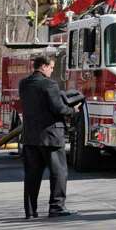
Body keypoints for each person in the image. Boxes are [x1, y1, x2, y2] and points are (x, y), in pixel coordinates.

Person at [19, 53, 77, 218]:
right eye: (51, 67)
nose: (52, 70)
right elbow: (58, 108)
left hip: (30, 136)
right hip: (51, 135)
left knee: (32, 175)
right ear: (43, 66)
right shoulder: (49, 84)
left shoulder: (24, 84)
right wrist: (73, 110)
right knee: (59, 172)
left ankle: (30, 210)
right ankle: (57, 207)